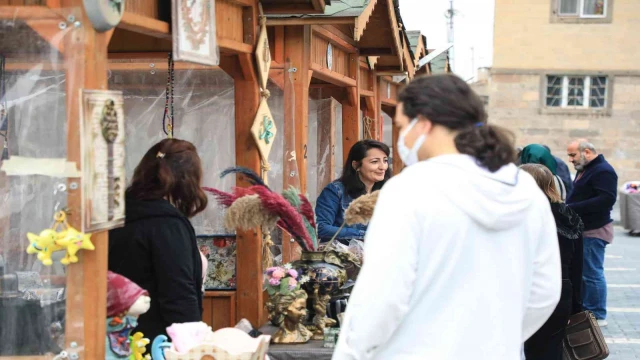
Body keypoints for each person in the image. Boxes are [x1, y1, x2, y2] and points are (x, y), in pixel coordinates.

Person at [333, 74, 561, 360]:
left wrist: (351, 353)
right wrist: (494, 338)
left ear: (424, 124)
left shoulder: (409, 189)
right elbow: (545, 290)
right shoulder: (525, 189)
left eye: (403, 127)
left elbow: (381, 298)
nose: (402, 139)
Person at [108, 138, 208, 343]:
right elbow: (178, 295)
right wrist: (192, 348)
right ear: (189, 179)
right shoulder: (167, 225)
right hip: (157, 343)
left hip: (114, 337)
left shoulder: (116, 216)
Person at [520, 164, 584, 360]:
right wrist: (576, 306)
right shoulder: (569, 216)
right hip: (560, 293)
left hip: (526, 292)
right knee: (550, 351)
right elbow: (577, 266)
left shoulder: (521, 215)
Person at [566, 139, 618, 327]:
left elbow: (606, 199)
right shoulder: (586, 169)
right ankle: (590, 310)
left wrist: (571, 207)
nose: (570, 159)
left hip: (594, 229)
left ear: (586, 152)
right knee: (586, 273)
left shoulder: (603, 170)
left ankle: (597, 313)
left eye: (573, 155)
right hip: (585, 229)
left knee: (592, 273)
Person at [315, 139, 391, 243]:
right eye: (374, 162)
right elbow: (321, 228)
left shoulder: (387, 192)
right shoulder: (335, 191)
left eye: (385, 160)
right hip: (342, 256)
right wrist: (363, 234)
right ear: (356, 165)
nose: (383, 167)